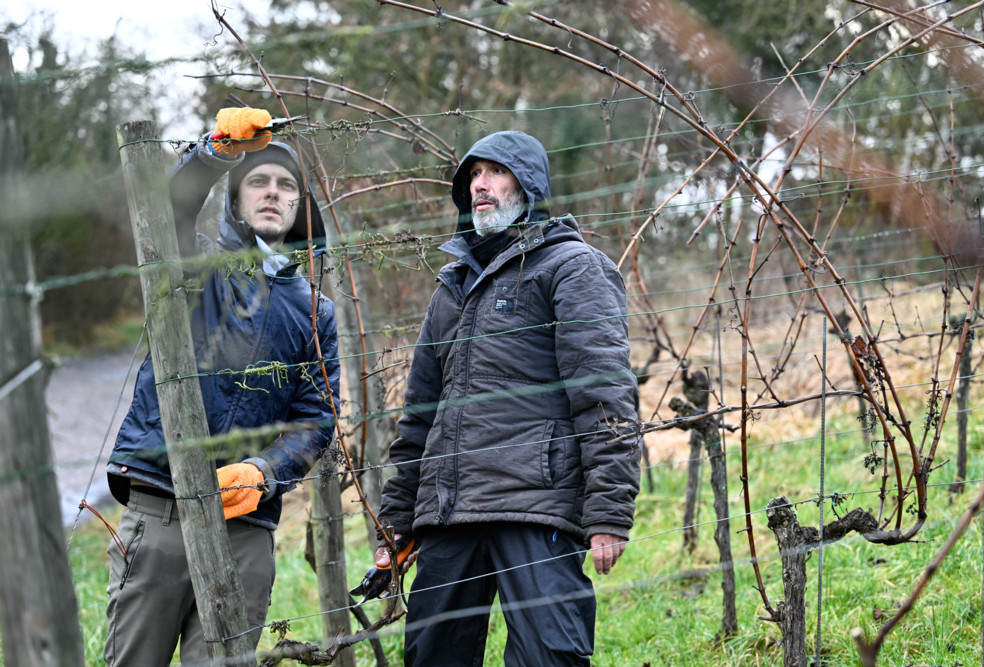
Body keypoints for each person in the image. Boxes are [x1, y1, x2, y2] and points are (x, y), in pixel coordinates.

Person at [374, 130, 642, 666]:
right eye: (473, 175)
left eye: (496, 172)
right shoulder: (451, 287)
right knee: (432, 658)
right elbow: (419, 418)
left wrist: (609, 511)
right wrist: (396, 522)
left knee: (549, 656)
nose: (481, 184)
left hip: (536, 505)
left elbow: (605, 394)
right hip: (449, 512)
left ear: (529, 185)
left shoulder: (571, 266)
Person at [104, 108, 340, 666]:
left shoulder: (316, 310)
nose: (273, 192)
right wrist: (214, 156)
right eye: (258, 180)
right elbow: (164, 213)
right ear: (235, 199)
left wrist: (265, 472)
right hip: (161, 506)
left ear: (300, 206)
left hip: (247, 530)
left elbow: (315, 421)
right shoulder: (198, 265)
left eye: (286, 185)